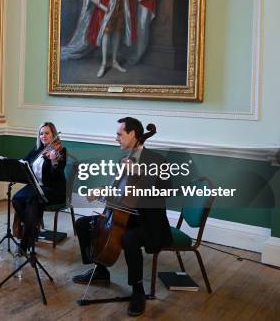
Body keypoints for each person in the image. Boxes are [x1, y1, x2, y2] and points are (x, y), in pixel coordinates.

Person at [72, 117, 172, 317]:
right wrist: (100, 191)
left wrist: (142, 174)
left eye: (120, 134)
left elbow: (166, 191)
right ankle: (100, 270)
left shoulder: (156, 160)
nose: (116, 138)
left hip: (147, 222)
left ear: (133, 135)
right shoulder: (125, 159)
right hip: (121, 215)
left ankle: (137, 291)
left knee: (129, 238)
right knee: (83, 224)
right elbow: (117, 191)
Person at [12, 122, 67, 254]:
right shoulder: (37, 149)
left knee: (33, 203)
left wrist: (54, 161)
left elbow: (55, 176)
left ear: (53, 134)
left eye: (47, 133)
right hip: (37, 187)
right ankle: (33, 230)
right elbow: (23, 162)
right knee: (16, 199)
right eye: (41, 133)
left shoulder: (60, 151)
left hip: (54, 189)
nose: (43, 136)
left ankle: (24, 244)